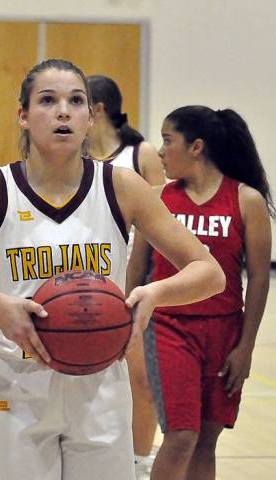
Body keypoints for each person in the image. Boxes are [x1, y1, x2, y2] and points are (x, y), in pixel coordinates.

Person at [0, 58, 225, 480]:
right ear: (23, 116)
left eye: (76, 101)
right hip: (15, 378)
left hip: (101, 378)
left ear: (91, 117)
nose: (63, 111)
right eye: (47, 100)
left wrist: (154, 294)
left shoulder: (120, 187)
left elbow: (208, 272)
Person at [127, 105, 276, 480]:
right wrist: (126, 325)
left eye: (167, 140)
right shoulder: (158, 198)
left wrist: (246, 348)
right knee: (180, 437)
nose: (159, 151)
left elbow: (258, 278)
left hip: (224, 332)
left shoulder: (245, 201)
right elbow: (136, 268)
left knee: (206, 444)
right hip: (169, 328)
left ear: (196, 147)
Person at [87, 74, 165, 478]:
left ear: (96, 109)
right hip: (86, 282)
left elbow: (163, 224)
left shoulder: (141, 155)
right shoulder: (73, 155)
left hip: (132, 283)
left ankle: (138, 464)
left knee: (141, 381)